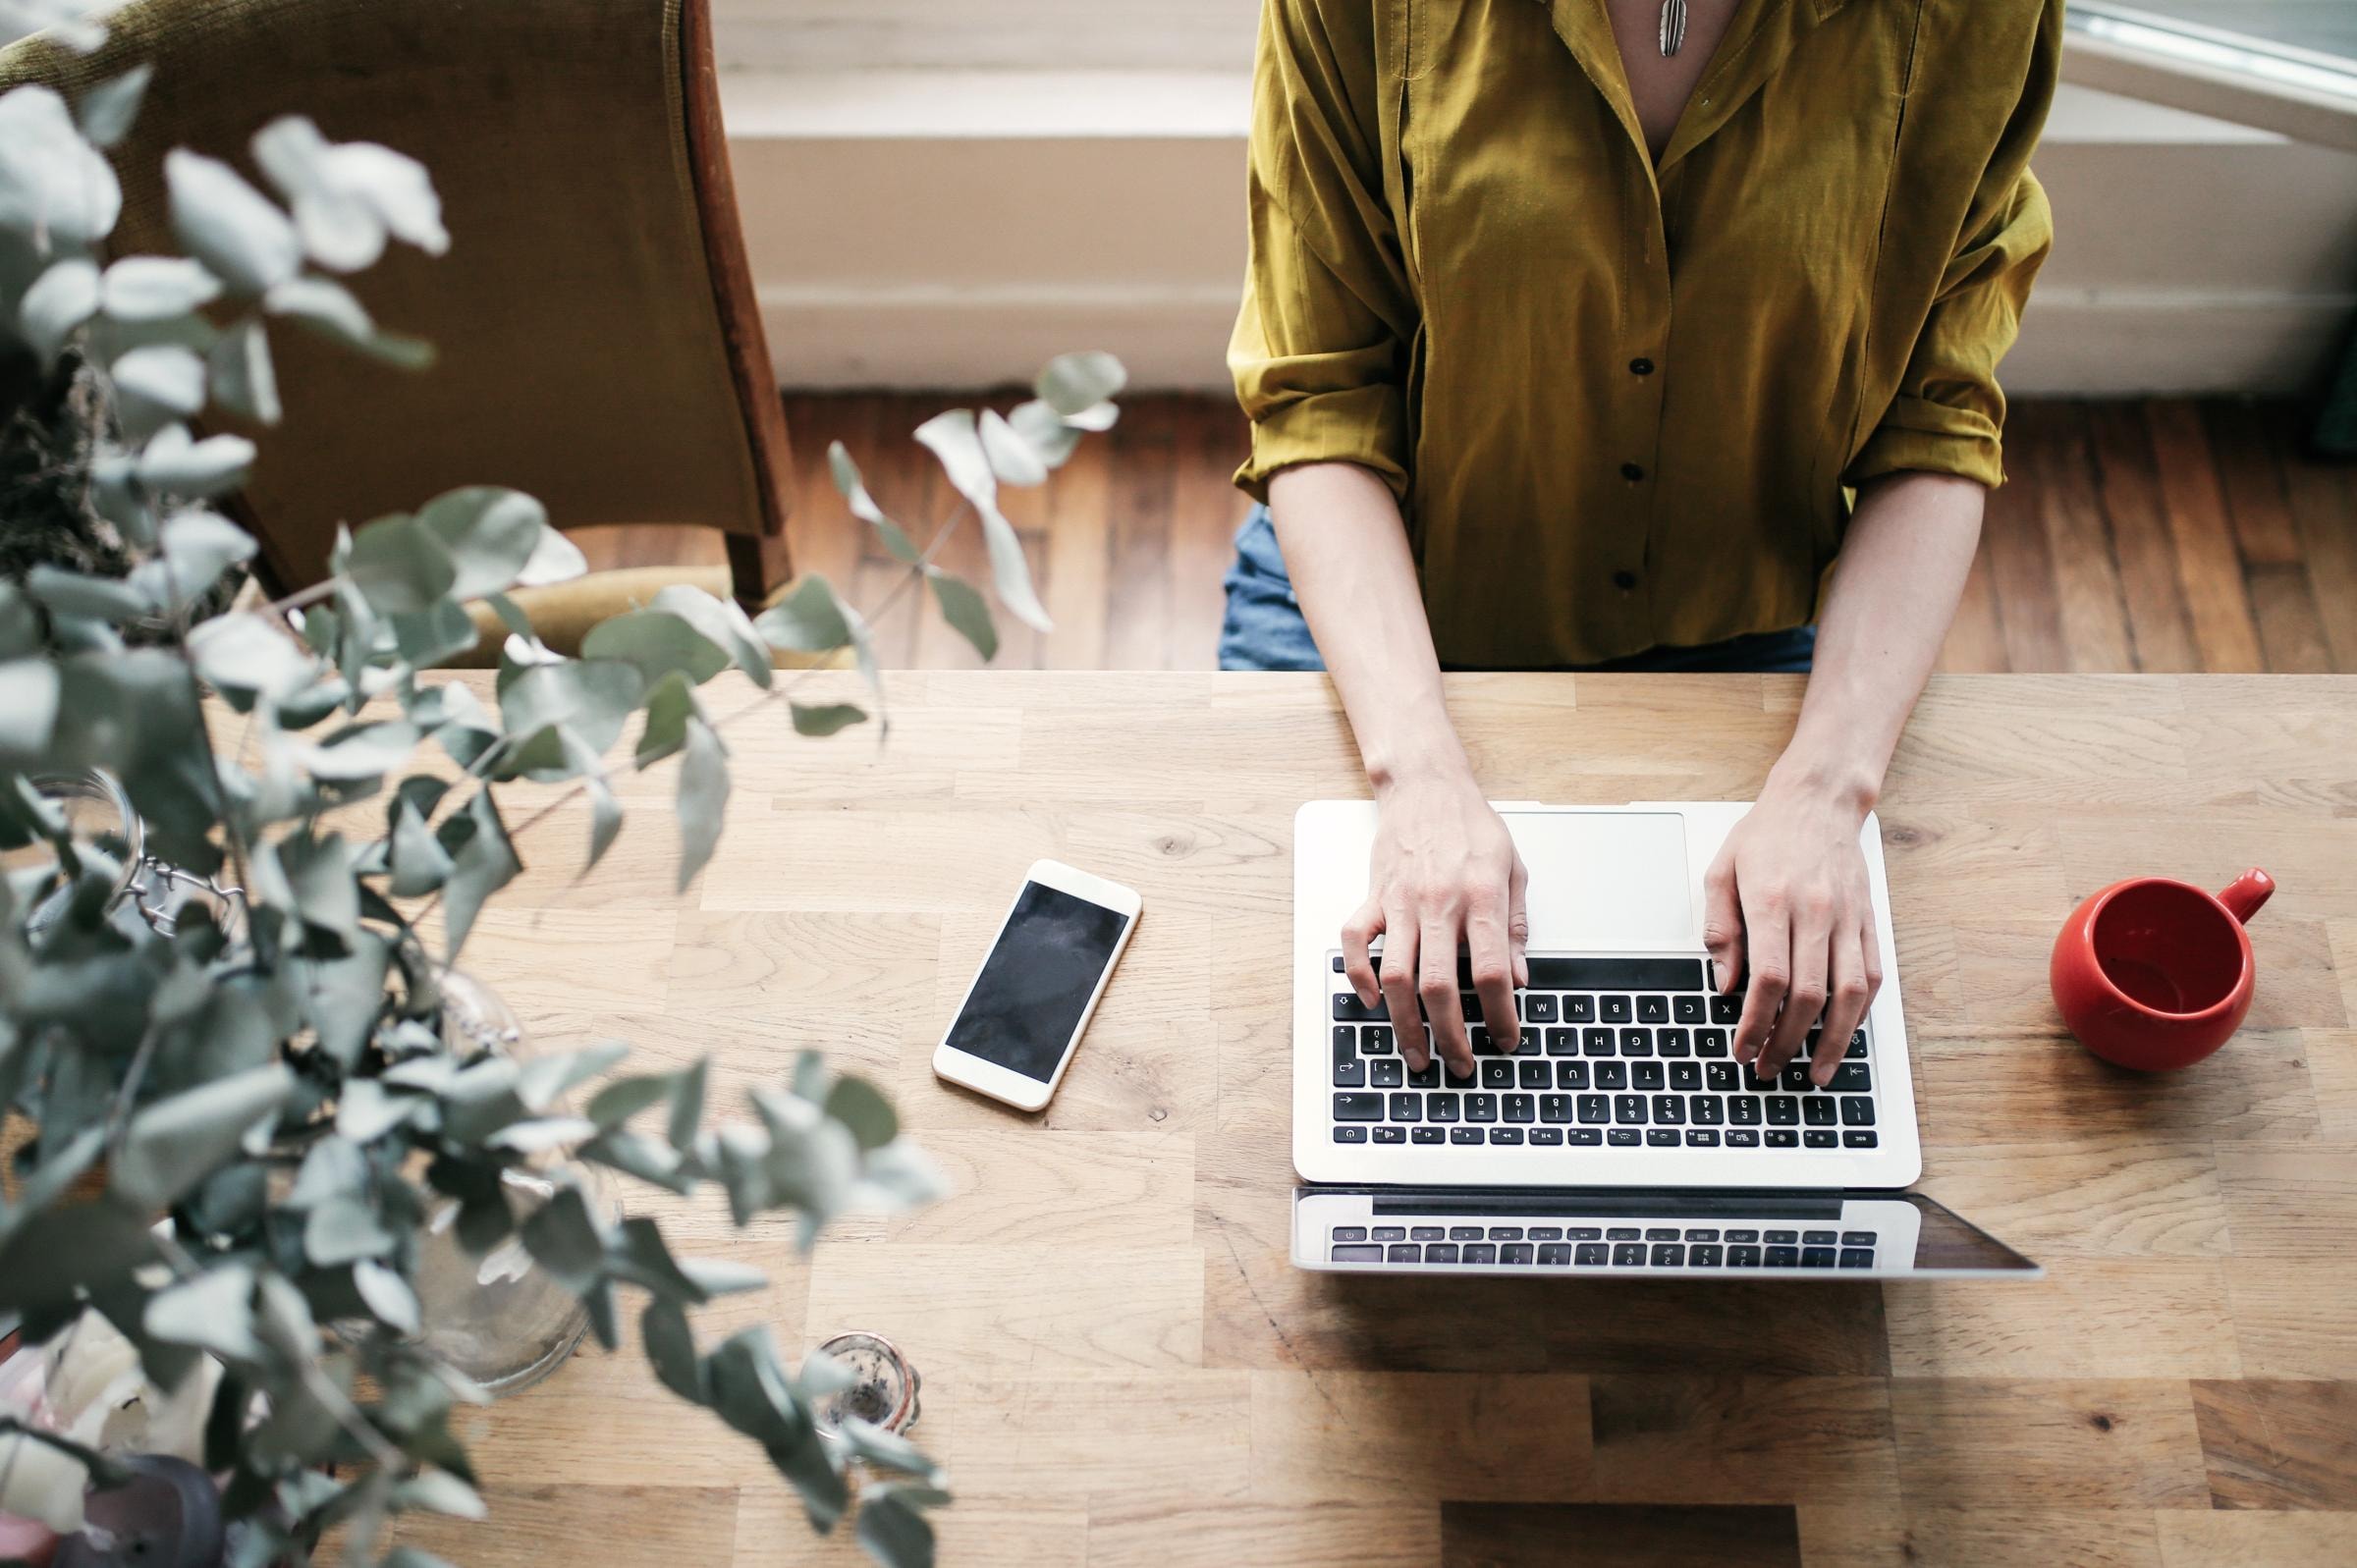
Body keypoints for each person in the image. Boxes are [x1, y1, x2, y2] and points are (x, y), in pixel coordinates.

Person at [1223, 0, 2058, 1090]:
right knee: (1272, 1058)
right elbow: (1322, 392)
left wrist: (1825, 792)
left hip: (1744, 627)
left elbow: (1938, 419)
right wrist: (1418, 776)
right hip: (1388, 608)